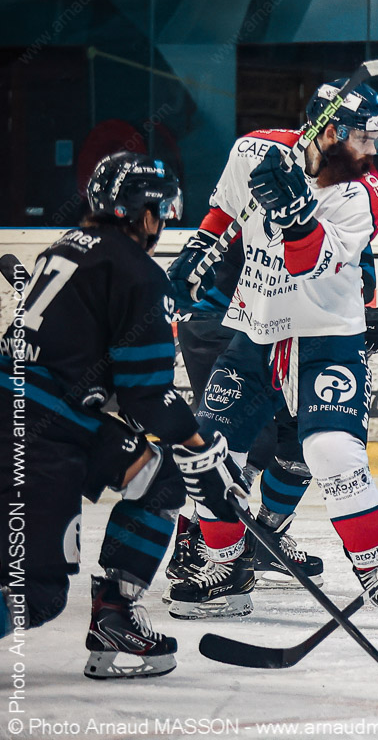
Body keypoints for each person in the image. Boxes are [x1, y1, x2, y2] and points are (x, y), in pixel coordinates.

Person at [164, 80, 378, 628]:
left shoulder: (364, 193)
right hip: (256, 332)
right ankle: (227, 567)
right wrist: (194, 257)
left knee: (331, 451)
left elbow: (310, 265)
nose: (372, 152)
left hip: (327, 338)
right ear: (328, 131)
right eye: (364, 138)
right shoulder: (254, 149)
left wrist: (297, 213)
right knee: (207, 452)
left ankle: (376, 572)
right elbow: (224, 211)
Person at [0, 152, 239, 679]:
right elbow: (147, 398)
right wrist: (202, 453)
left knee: (161, 479)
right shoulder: (137, 274)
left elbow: (73, 359)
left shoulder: (65, 246)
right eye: (163, 211)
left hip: (41, 412)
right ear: (145, 213)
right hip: (40, 432)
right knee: (36, 593)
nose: (164, 222)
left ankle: (115, 615)